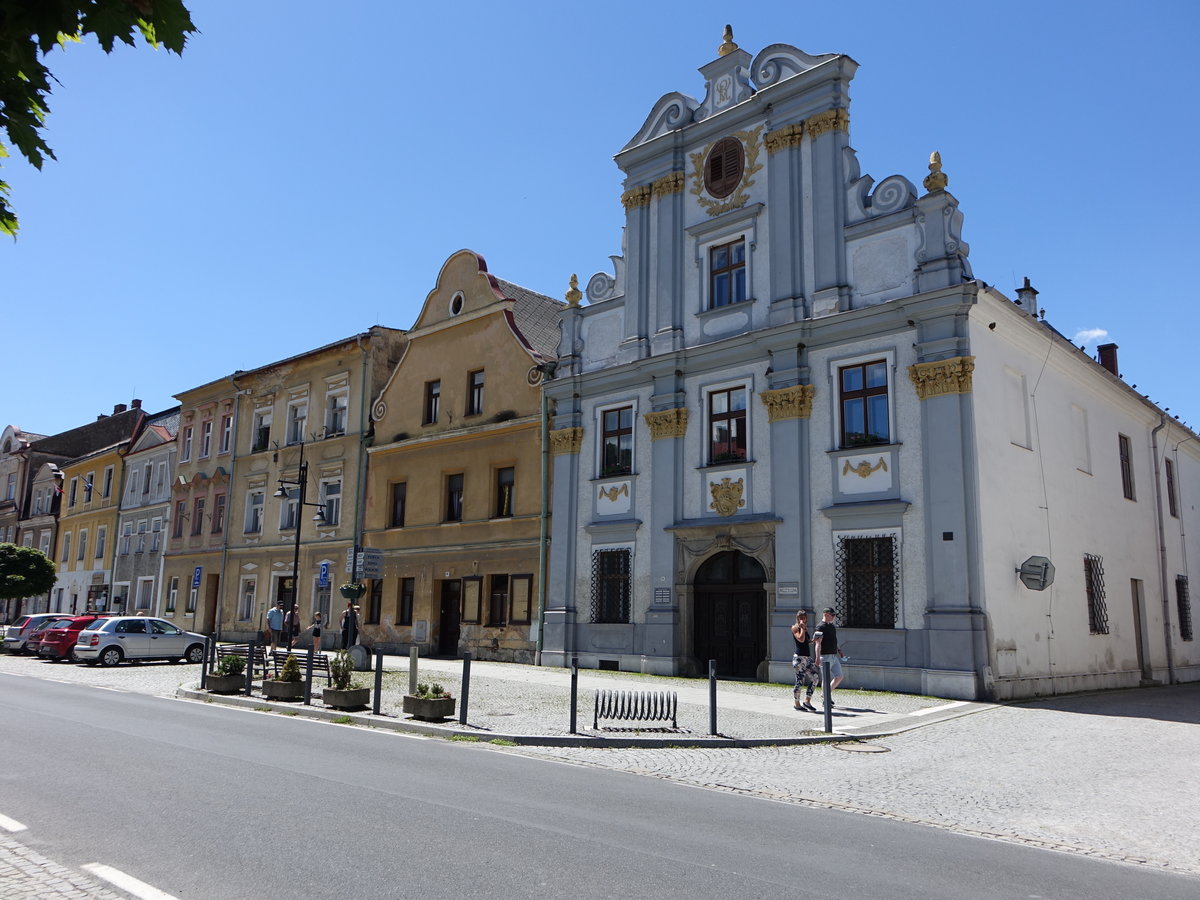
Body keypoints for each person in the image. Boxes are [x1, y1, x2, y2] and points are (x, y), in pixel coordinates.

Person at [812, 607, 846, 706]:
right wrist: (817, 657)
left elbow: (835, 640)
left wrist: (840, 651)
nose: (833, 617)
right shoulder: (820, 627)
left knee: (839, 676)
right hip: (825, 656)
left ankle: (825, 694)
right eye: (832, 615)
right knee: (826, 679)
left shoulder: (832, 626)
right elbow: (818, 644)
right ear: (826, 614)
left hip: (833, 655)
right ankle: (826, 700)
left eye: (834, 615)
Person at [790, 609, 819, 711]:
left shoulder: (804, 628)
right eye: (800, 617)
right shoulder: (795, 628)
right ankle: (797, 704)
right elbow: (801, 639)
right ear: (797, 618)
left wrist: (813, 640)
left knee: (815, 678)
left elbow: (805, 642)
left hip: (807, 658)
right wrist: (802, 628)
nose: (802, 619)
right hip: (799, 658)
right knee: (799, 681)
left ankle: (807, 701)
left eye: (804, 617)